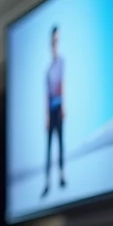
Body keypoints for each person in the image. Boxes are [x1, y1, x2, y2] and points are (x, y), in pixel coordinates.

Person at [42, 25, 66, 198]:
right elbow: (46, 94)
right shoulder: (48, 70)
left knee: (61, 143)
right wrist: (46, 116)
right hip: (50, 110)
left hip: (58, 108)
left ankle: (61, 176)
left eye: (56, 40)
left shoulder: (61, 62)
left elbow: (62, 84)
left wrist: (63, 105)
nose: (55, 44)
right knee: (49, 147)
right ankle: (47, 182)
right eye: (53, 41)